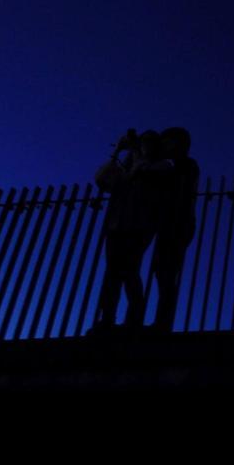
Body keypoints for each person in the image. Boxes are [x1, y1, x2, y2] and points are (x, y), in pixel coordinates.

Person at [91, 129, 169, 334]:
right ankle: (107, 318)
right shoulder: (127, 169)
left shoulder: (161, 166)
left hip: (140, 226)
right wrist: (117, 151)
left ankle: (134, 318)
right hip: (117, 225)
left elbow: (145, 171)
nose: (144, 146)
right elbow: (101, 178)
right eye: (143, 142)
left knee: (128, 269)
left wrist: (135, 152)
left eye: (148, 142)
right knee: (112, 273)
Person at [152, 127, 199, 334]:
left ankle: (163, 322)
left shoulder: (186, 165)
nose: (163, 145)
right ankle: (161, 321)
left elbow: (178, 193)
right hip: (171, 223)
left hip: (178, 224)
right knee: (162, 272)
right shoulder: (175, 165)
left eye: (167, 141)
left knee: (167, 273)